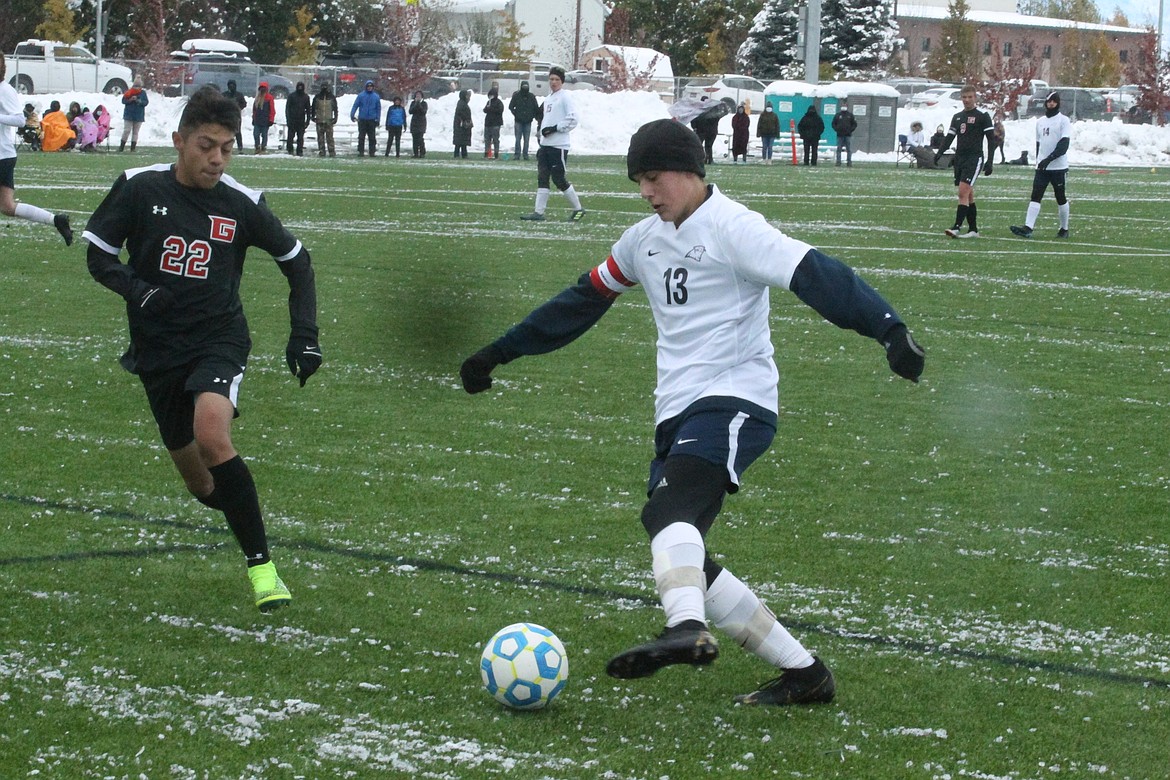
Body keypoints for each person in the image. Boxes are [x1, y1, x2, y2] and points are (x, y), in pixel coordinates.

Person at [459, 119, 924, 706]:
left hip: (736, 399)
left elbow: (814, 274)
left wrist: (889, 330)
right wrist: (498, 353)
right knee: (686, 552)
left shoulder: (733, 227)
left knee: (669, 511)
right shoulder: (642, 241)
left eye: (653, 179)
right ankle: (805, 674)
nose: (646, 193)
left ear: (689, 171)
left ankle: (683, 628)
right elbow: (580, 303)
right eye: (639, 183)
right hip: (677, 410)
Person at [81, 86, 321, 613]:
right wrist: (138, 289)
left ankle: (263, 568)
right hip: (157, 352)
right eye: (206, 146)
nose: (217, 158)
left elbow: (298, 263)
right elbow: (98, 255)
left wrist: (304, 335)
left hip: (219, 340)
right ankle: (239, 507)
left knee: (212, 433)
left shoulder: (241, 203)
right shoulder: (139, 188)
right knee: (201, 483)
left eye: (227, 148)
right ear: (179, 141)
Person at [0, 59, 72, 244]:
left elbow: (19, 120)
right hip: (5, 155)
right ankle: (55, 220)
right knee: (7, 206)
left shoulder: (4, 89)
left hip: (2, 155)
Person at [520, 67, 585, 222]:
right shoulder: (549, 98)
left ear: (562, 81)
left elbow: (573, 119)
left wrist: (555, 128)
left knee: (558, 179)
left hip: (559, 146)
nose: (554, 82)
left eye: (556, 79)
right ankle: (538, 213)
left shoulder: (565, 98)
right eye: (551, 79)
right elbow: (545, 120)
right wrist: (541, 132)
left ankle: (578, 209)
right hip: (546, 146)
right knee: (542, 177)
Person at [933, 84, 995, 238]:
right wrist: (939, 152)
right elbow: (950, 137)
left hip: (974, 158)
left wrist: (990, 161)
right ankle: (973, 229)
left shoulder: (983, 116)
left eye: (970, 97)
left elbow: (991, 140)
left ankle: (957, 227)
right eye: (964, 97)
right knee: (968, 195)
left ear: (975, 98)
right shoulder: (958, 117)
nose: (967, 100)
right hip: (959, 158)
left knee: (962, 192)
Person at [1010, 91, 1072, 240]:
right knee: (1035, 196)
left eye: (1054, 101)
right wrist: (1040, 160)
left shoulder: (1063, 120)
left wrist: (1049, 159)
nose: (1051, 104)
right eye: (1049, 101)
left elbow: (1064, 145)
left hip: (1058, 167)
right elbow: (1039, 143)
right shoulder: (1040, 122)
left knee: (1060, 197)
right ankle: (1028, 228)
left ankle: (1064, 228)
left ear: (1058, 103)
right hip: (1042, 167)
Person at [508, 80, 539, 160]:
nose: (525, 88)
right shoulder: (516, 96)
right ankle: (517, 155)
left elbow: (536, 108)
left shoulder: (531, 97)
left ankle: (525, 154)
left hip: (528, 121)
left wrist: (532, 116)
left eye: (526, 86)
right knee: (518, 139)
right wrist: (516, 114)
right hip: (518, 121)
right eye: (524, 86)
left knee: (526, 139)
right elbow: (511, 106)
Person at [350, 80, 381, 157]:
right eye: (368, 86)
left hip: (372, 119)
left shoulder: (376, 97)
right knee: (361, 137)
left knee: (372, 137)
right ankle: (361, 151)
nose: (369, 88)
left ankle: (372, 152)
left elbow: (378, 109)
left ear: (373, 87)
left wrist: (378, 119)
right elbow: (355, 105)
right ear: (366, 87)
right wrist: (352, 114)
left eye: (371, 86)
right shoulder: (361, 96)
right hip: (362, 119)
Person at [119, 79, 148, 152]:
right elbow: (123, 101)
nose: (136, 88)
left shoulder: (143, 93)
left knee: (135, 132)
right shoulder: (129, 92)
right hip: (129, 115)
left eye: (138, 86)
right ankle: (121, 147)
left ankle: (133, 148)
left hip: (138, 115)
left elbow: (145, 102)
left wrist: (139, 101)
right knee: (126, 130)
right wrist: (130, 100)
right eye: (135, 86)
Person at [690, 97, 721, 165]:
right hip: (708, 131)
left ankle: (702, 159)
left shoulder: (699, 110)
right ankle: (707, 159)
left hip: (703, 131)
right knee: (707, 146)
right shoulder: (713, 110)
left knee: (702, 146)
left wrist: (695, 126)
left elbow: (693, 119)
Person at [284, 82, 312, 156]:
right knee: (290, 137)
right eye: (299, 87)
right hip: (292, 120)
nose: (300, 88)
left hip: (301, 121)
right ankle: (290, 149)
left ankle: (299, 150)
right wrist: (288, 119)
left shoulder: (306, 97)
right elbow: (287, 109)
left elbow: (308, 110)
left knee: (300, 137)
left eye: (301, 87)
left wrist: (308, 121)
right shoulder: (291, 96)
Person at [311, 83, 338, 158]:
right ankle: (322, 151)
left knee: (330, 138)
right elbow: (313, 108)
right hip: (319, 121)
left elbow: (335, 109)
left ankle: (331, 152)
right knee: (320, 138)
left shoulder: (332, 97)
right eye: (323, 87)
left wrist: (335, 118)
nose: (324, 89)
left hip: (329, 121)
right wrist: (313, 117)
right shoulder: (317, 97)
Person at [223, 79, 248, 151]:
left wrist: (237, 108)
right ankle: (225, 146)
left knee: (237, 132)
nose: (231, 86)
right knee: (226, 131)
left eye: (233, 85)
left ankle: (240, 147)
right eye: (230, 85)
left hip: (236, 117)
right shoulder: (224, 95)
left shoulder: (239, 95)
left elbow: (244, 104)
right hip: (226, 116)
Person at [251, 82, 276, 154]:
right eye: (261, 88)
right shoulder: (257, 98)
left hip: (265, 120)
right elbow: (254, 110)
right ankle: (257, 146)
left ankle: (263, 146)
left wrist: (271, 119)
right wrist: (253, 118)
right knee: (256, 134)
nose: (262, 90)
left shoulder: (269, 98)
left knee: (264, 135)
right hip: (257, 120)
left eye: (264, 88)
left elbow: (272, 110)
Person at [831, 101, 856, 167]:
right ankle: (838, 162)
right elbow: (833, 123)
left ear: (847, 106)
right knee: (839, 149)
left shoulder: (850, 115)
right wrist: (837, 129)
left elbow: (854, 124)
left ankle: (849, 162)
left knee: (848, 149)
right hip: (840, 135)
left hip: (848, 135)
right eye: (843, 105)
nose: (843, 107)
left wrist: (850, 130)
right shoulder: (838, 115)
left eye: (845, 105)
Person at [483, 86, 504, 159]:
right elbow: (485, 110)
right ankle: (487, 154)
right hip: (488, 123)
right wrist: (487, 108)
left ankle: (496, 154)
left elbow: (500, 110)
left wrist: (491, 109)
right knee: (487, 140)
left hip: (496, 124)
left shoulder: (499, 102)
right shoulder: (488, 102)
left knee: (495, 140)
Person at [453, 89, 472, 158]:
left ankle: (460, 154)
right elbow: (462, 114)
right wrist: (467, 121)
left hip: (460, 126)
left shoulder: (461, 103)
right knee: (461, 141)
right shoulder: (462, 104)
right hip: (461, 126)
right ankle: (461, 154)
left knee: (460, 142)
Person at [408, 90, 428, 158]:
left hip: (421, 123)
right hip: (414, 123)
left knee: (420, 139)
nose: (418, 96)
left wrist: (418, 104)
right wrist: (416, 104)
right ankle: (415, 153)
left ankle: (422, 152)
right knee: (414, 139)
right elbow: (410, 111)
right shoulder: (413, 103)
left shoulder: (424, 103)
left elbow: (423, 112)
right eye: (417, 95)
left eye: (419, 95)